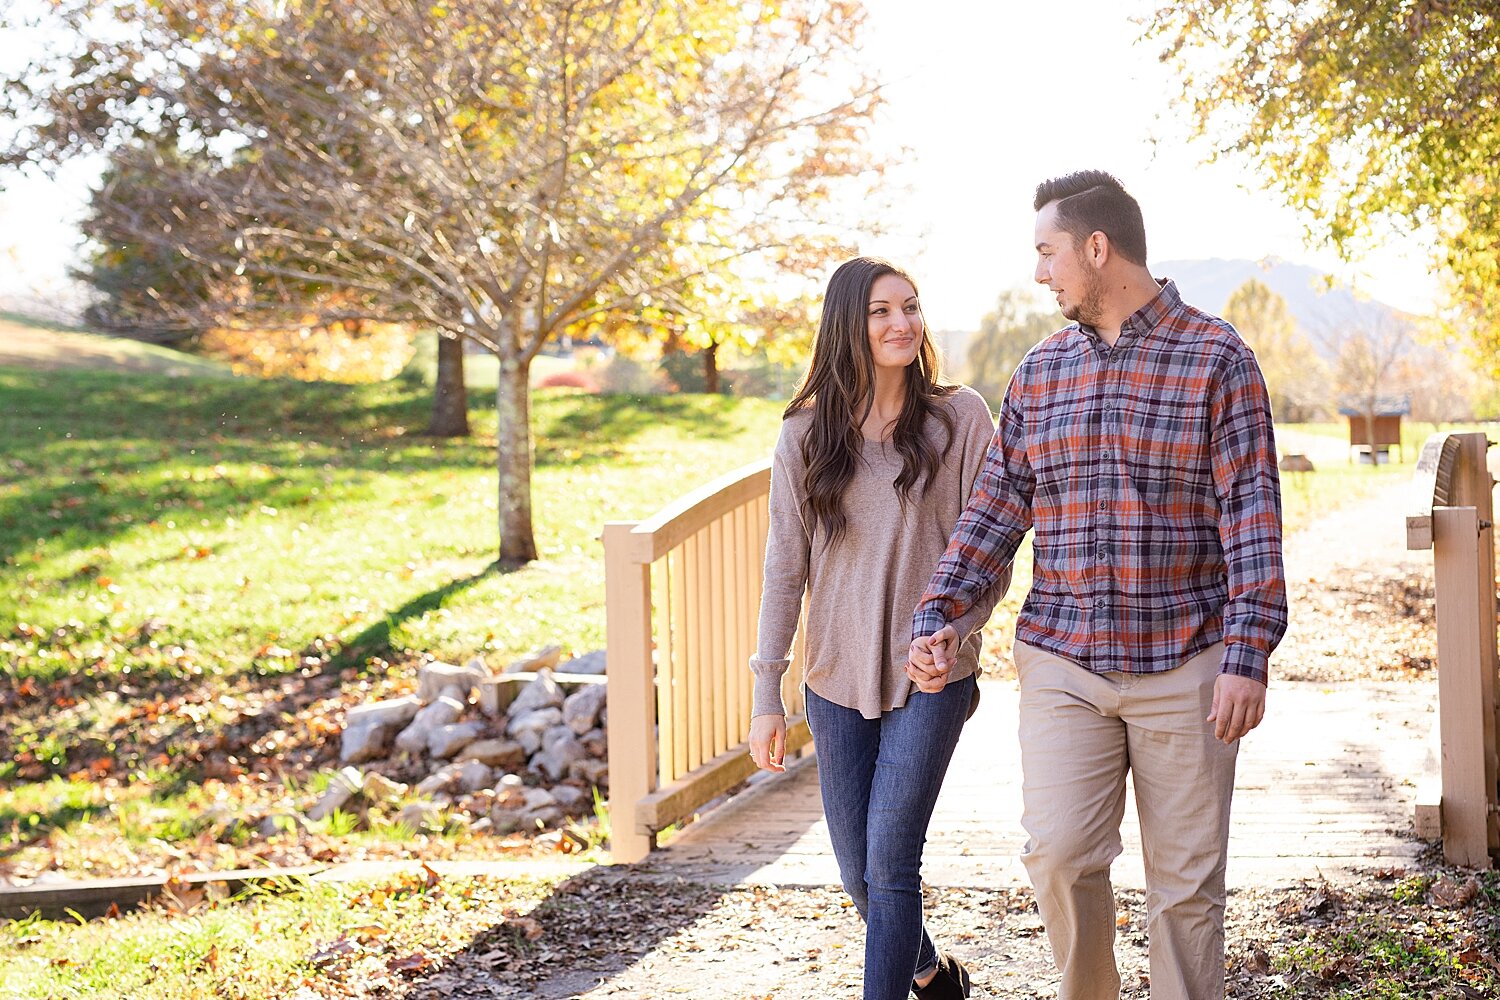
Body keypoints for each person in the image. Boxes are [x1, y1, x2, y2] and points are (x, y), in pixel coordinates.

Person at [909, 171, 1287, 1000]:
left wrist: (1247, 653)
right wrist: (938, 612)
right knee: (1058, 855)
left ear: (1096, 247)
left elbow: (1252, 517)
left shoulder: (1217, 358)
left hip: (1187, 662)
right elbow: (996, 510)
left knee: (1186, 890)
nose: (1041, 273)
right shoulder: (1041, 372)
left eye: (1047, 254)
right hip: (1063, 662)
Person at [747, 256, 1010, 1000]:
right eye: (881, 312)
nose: (903, 323)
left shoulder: (961, 419)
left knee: (891, 863)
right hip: (834, 677)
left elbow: (991, 549)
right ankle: (930, 973)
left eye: (912, 307)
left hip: (933, 674)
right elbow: (783, 566)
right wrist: (768, 688)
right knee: (856, 870)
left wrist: (957, 633)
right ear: (847, 328)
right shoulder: (805, 435)